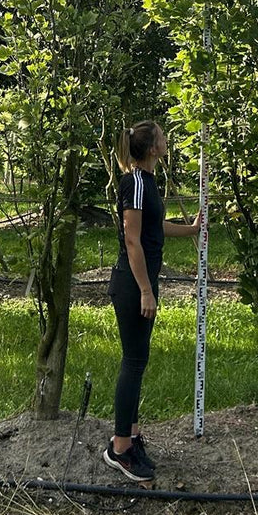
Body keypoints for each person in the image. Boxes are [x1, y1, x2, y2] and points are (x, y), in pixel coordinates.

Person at [102, 119, 199, 483]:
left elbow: (153, 229)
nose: (167, 140)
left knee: (138, 361)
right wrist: (145, 289)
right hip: (131, 284)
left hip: (141, 282)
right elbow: (132, 239)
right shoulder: (136, 183)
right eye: (162, 137)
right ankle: (120, 449)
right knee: (133, 360)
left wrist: (190, 229)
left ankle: (133, 435)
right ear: (152, 147)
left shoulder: (147, 183)